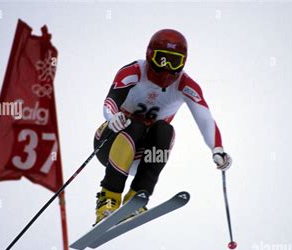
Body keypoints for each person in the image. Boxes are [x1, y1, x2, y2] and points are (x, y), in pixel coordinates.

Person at [93, 29, 232, 225]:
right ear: (150, 56)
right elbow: (110, 100)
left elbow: (205, 119)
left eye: (174, 62)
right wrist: (112, 116)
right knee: (136, 125)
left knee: (165, 131)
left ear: (183, 62)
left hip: (141, 156)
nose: (167, 69)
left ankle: (137, 197)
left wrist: (217, 149)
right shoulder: (133, 72)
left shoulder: (185, 84)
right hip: (109, 144)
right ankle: (108, 199)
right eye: (162, 60)